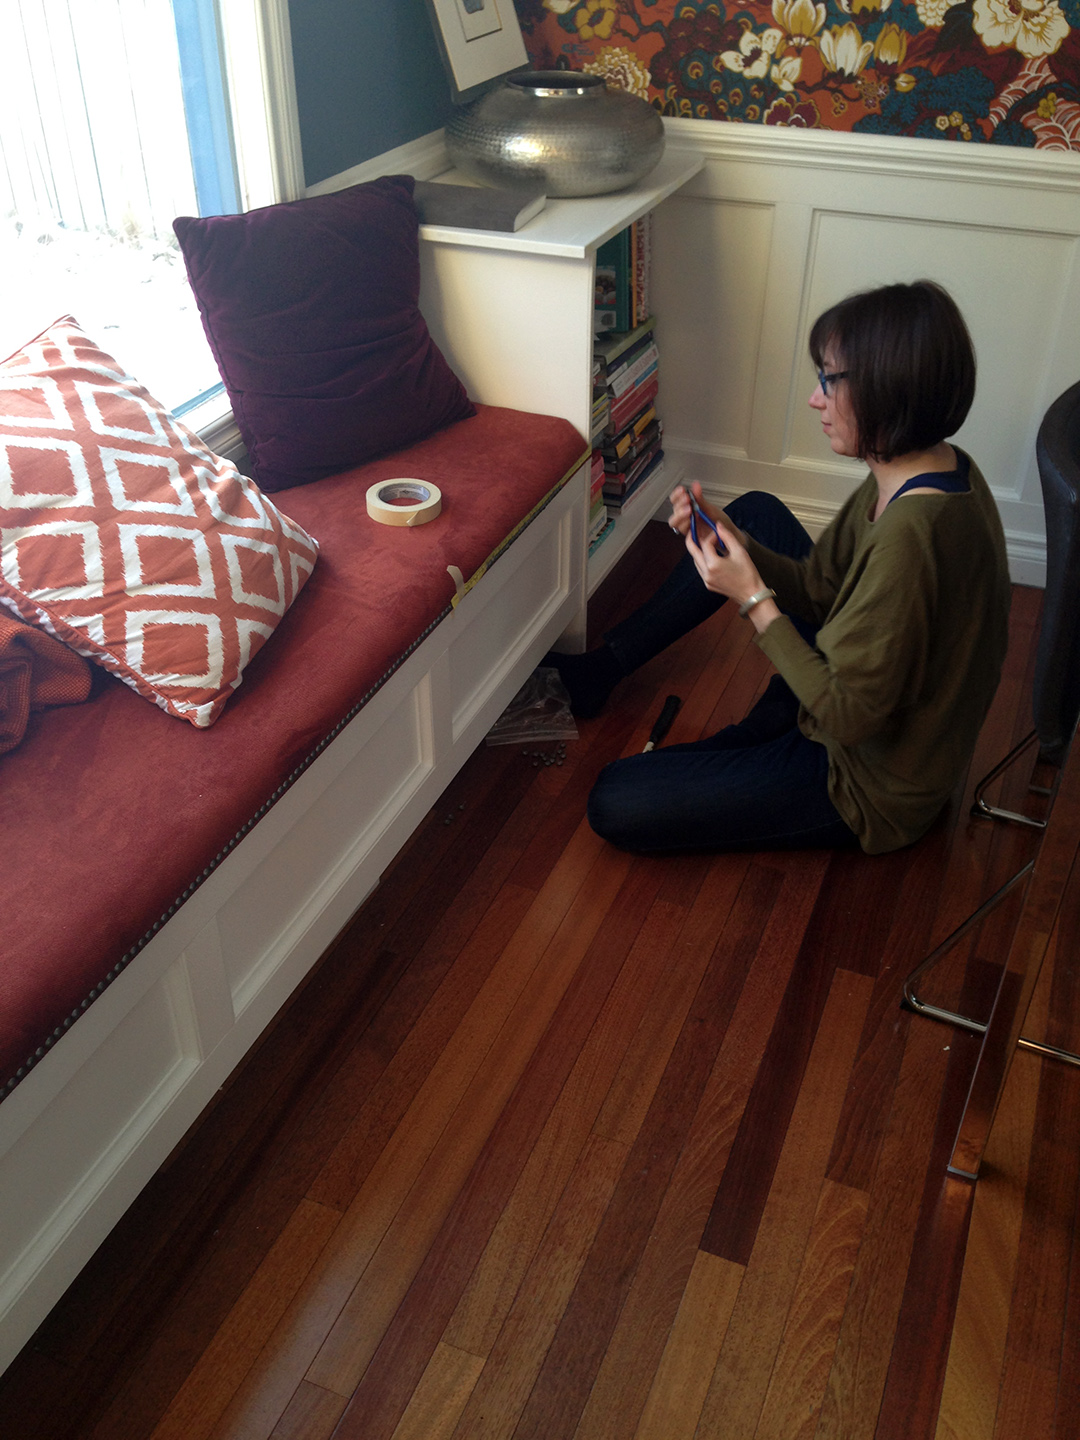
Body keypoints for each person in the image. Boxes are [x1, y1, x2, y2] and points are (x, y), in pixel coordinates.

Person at [549, 280, 1011, 855]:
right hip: (861, 689)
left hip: (867, 779)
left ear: (886, 391)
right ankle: (608, 676)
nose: (817, 398)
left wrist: (753, 600)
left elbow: (847, 719)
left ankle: (760, 739)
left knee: (615, 798)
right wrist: (741, 547)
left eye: (830, 380)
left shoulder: (912, 538)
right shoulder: (924, 467)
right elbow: (823, 592)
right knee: (756, 514)